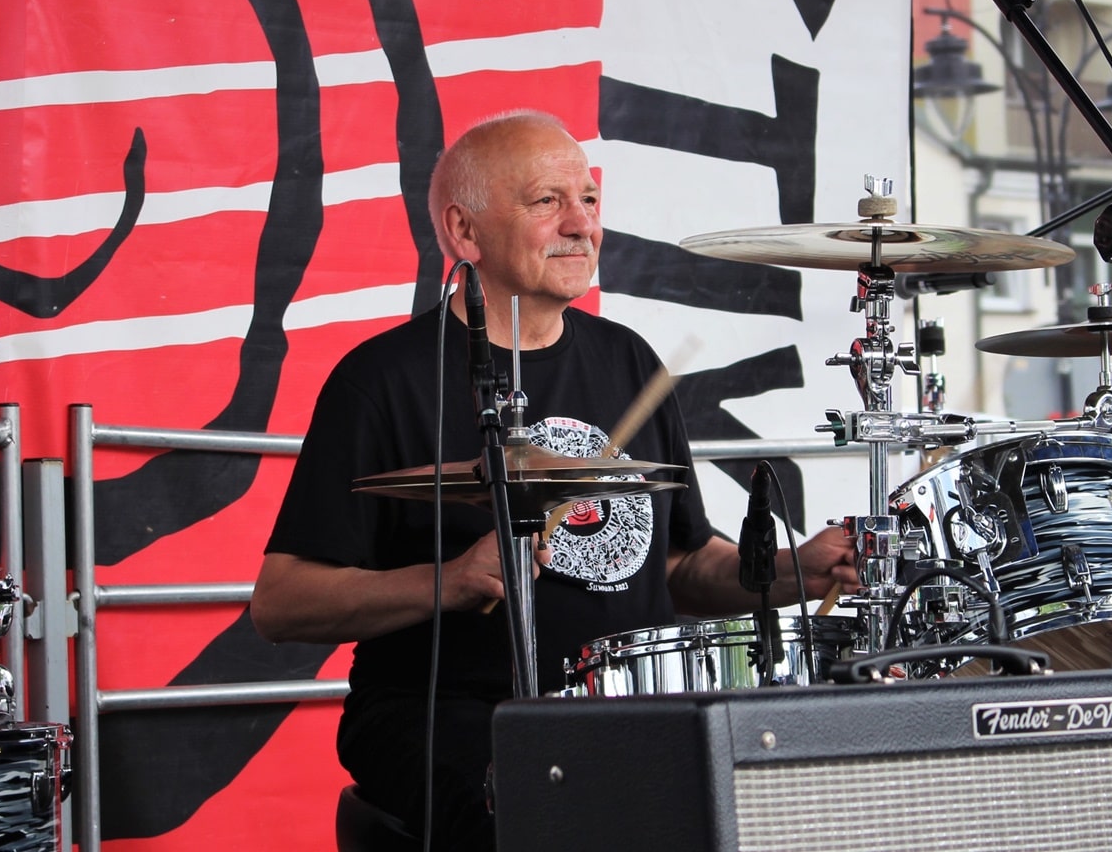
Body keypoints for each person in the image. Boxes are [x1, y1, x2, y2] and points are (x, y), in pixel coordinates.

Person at [252, 111, 856, 850]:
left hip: (625, 706)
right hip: (446, 715)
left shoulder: (628, 361)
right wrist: (451, 581)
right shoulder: (382, 381)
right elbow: (281, 602)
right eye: (548, 201)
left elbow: (681, 565)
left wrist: (796, 571)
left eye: (590, 200)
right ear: (464, 231)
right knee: (539, 816)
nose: (582, 224)